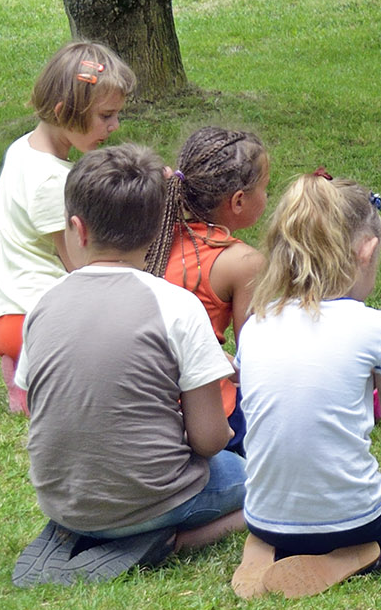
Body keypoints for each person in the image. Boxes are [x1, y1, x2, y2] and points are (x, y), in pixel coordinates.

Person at [16, 146, 245, 557]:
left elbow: (43, 409)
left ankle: (99, 531)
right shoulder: (175, 305)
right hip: (153, 498)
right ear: (158, 230)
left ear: (77, 229)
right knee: (261, 479)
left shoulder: (42, 306)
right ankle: (175, 542)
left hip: (62, 502)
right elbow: (210, 441)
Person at [229, 172, 381, 599]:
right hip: (353, 519)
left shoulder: (257, 323)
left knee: (287, 511)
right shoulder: (373, 326)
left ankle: (267, 545)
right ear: (367, 250)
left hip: (263, 513)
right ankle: (359, 555)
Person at [0, 40, 133, 416]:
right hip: (39, 321)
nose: (114, 126)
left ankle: (22, 379)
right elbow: (80, 266)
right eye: (106, 116)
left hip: (8, 313)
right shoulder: (52, 182)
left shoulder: (22, 150)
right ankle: (36, 383)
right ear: (62, 112)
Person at [159, 126, 269, 353]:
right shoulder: (244, 262)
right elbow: (254, 358)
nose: (266, 195)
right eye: (265, 187)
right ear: (238, 201)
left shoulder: (156, 236)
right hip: (203, 385)